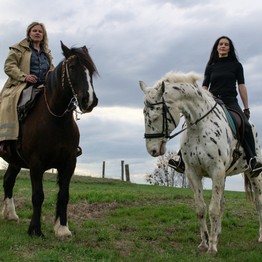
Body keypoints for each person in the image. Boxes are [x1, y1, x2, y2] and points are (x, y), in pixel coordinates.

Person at [168, 36, 262, 177]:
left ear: (229, 48)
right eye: (221, 44)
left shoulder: (237, 66)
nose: (223, 46)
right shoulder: (211, 67)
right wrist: (199, 101)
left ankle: (252, 160)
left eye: (226, 44)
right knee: (189, 124)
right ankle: (180, 159)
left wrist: (246, 107)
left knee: (246, 125)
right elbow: (205, 86)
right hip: (212, 100)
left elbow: (241, 86)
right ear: (217, 47)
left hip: (230, 101)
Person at [0, 21, 54, 156]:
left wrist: (51, 75)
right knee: (11, 105)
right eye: (34, 31)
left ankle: (65, 144)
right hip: (22, 85)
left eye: (40, 31)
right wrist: (24, 77)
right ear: (29, 34)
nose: (37, 33)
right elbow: (9, 66)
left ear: (43, 35)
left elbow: (51, 68)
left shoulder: (46, 53)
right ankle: (6, 140)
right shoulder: (18, 49)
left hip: (44, 86)